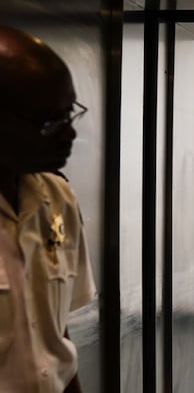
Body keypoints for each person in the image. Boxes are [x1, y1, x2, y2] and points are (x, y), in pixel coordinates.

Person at [0, 26, 95, 393]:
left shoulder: (57, 197)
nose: (70, 133)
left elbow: (54, 340)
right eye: (49, 121)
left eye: (69, 113)